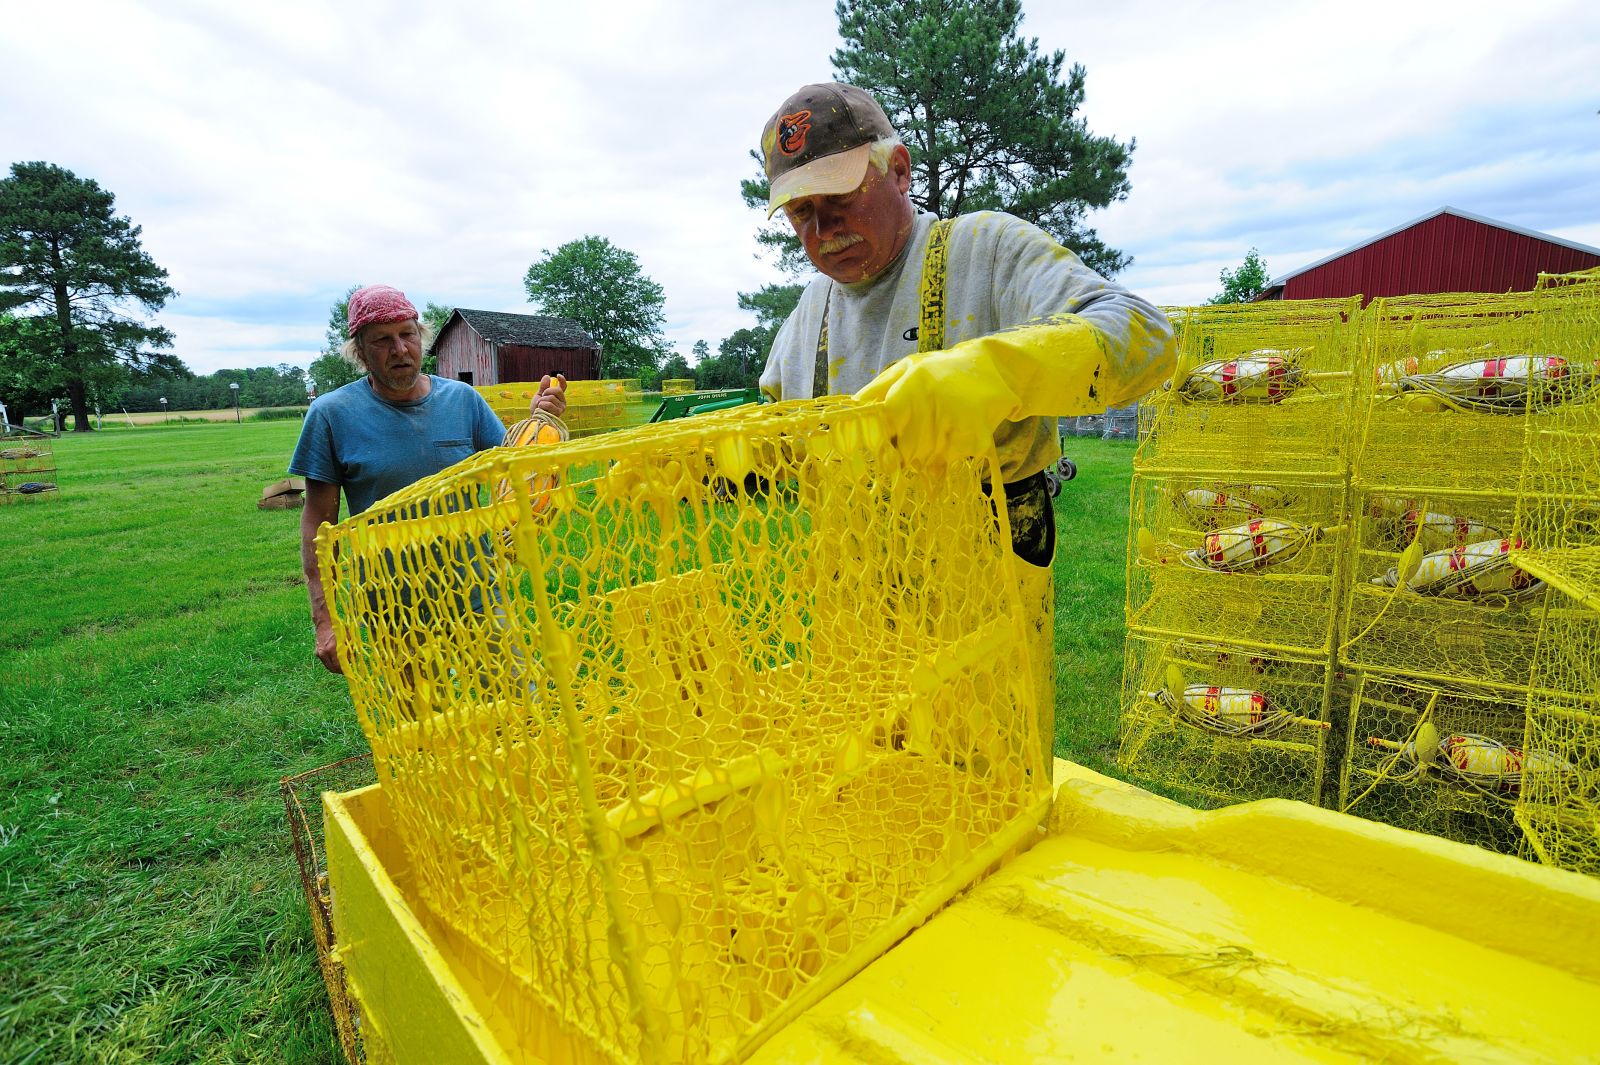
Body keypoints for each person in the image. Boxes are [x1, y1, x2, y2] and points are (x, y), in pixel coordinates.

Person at [756, 83, 1176, 767]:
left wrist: (998, 373)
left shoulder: (985, 249)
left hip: (982, 631)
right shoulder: (809, 313)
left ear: (899, 170)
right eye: (800, 214)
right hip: (854, 639)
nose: (821, 230)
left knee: (985, 795)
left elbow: (1144, 333)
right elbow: (779, 447)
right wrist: (701, 468)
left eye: (839, 200)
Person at [290, 284, 567, 673]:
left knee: (519, 698)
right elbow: (318, 521)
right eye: (383, 341)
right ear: (360, 352)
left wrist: (539, 420)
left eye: (407, 334)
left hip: (476, 587)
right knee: (416, 718)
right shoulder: (331, 414)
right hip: (391, 602)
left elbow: (512, 471)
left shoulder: (463, 400)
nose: (400, 349)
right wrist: (325, 617)